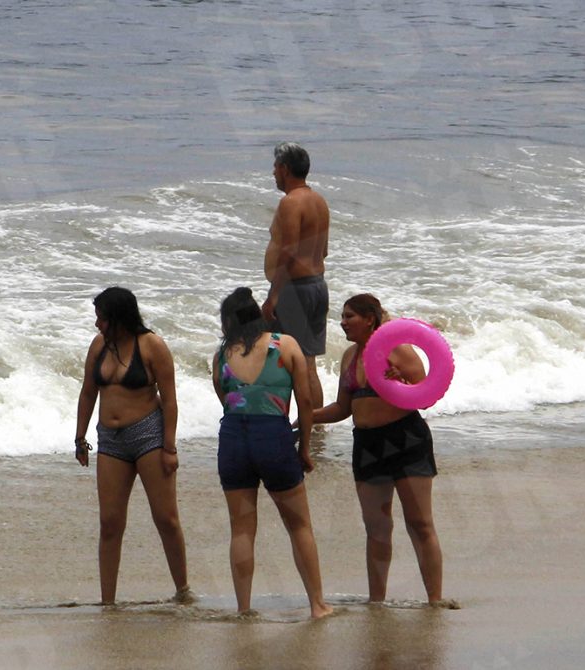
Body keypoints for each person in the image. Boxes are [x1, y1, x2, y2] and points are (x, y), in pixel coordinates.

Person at [312, 293, 444, 604]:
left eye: (349, 317)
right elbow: (343, 408)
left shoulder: (397, 349)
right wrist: (307, 417)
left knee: (420, 523)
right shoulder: (349, 357)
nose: (342, 323)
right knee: (376, 529)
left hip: (406, 440)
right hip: (367, 445)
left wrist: (401, 383)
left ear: (369, 319)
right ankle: (376, 601)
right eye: (342, 317)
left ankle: (435, 600)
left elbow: (426, 395)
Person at [213, 287, 333, 619]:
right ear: (259, 315)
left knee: (241, 530)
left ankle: (244, 607)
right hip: (274, 437)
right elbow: (306, 402)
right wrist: (305, 447)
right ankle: (317, 605)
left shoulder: (222, 354)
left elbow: (225, 399)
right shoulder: (284, 345)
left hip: (234, 439)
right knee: (299, 526)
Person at [74, 287, 191, 606]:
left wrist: (170, 448)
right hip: (110, 440)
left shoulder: (152, 346)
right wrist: (80, 437)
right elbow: (88, 392)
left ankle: (183, 590)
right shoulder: (99, 346)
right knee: (110, 522)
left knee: (166, 518)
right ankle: (107, 601)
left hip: (148, 434)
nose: (97, 325)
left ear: (120, 319)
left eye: (102, 319)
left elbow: (170, 400)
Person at [262, 142, 330, 408]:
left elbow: (288, 252)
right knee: (308, 362)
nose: (273, 173)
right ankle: (315, 427)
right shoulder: (318, 201)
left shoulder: (290, 202)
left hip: (295, 289)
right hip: (316, 285)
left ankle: (296, 426)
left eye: (275, 167)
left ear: (285, 169)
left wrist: (274, 296)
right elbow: (322, 250)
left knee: (287, 363)